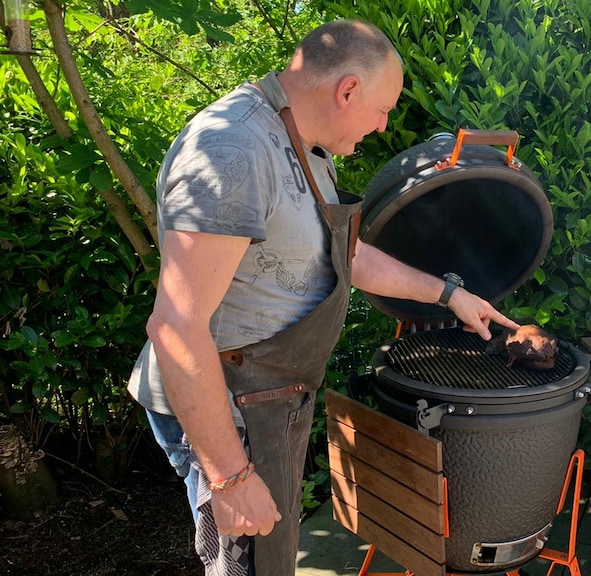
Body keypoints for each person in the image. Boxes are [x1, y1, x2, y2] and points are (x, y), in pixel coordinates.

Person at [128, 19, 519, 576]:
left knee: (274, 557)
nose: (384, 126)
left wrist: (449, 294)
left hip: (269, 400)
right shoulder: (232, 152)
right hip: (229, 404)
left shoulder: (304, 144)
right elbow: (176, 327)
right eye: (383, 109)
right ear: (348, 90)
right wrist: (230, 478)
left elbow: (347, 255)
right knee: (246, 563)